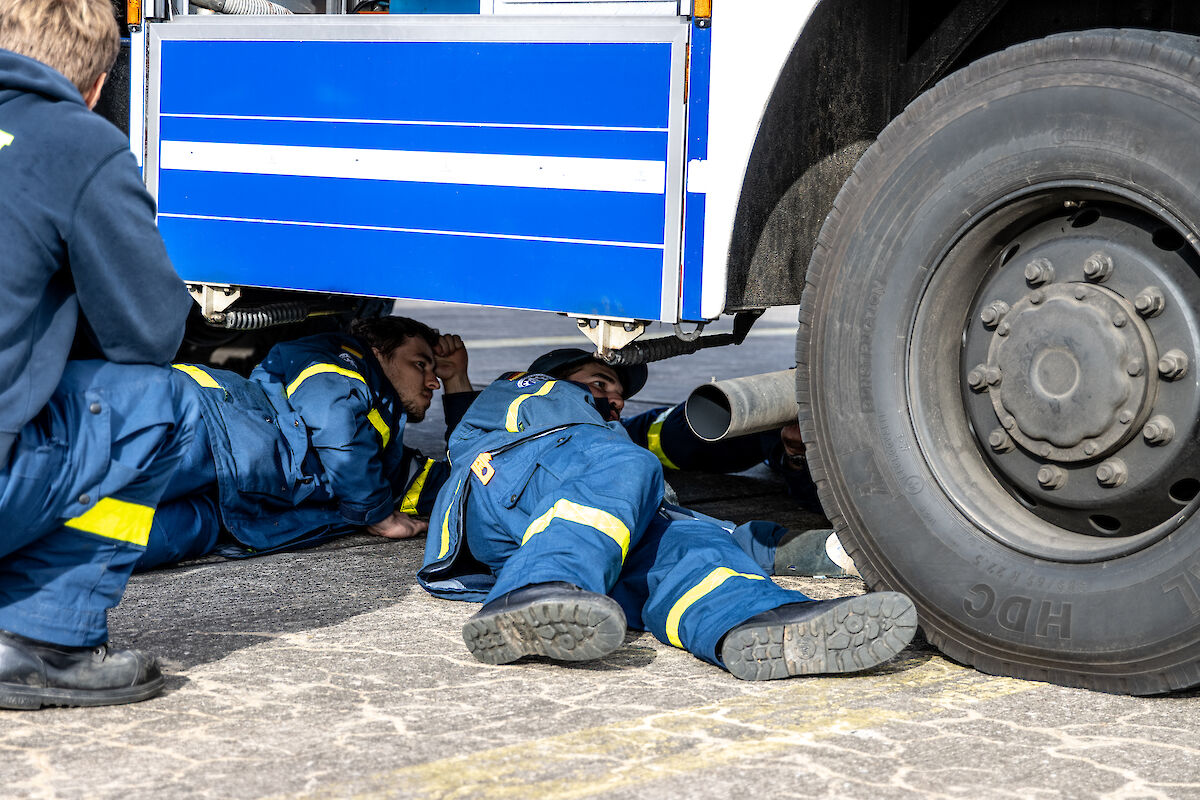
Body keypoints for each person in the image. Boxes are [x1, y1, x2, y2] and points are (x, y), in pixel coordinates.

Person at [418, 360, 917, 680]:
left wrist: (819, 550)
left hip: (554, 529)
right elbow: (467, 435)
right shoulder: (534, 396)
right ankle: (539, 586)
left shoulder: (608, 457)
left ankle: (751, 618)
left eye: (617, 393)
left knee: (686, 540)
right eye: (599, 382)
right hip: (501, 483)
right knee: (631, 464)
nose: (613, 397)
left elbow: (671, 463)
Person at [0, 0, 197, 708]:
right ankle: (44, 640)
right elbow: (146, 334)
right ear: (96, 84)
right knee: (160, 405)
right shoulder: (76, 142)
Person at [135, 316, 468, 571]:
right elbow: (333, 419)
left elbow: (464, 478)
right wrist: (376, 513)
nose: (432, 381)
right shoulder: (340, 357)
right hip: (214, 427)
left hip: (234, 513)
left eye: (437, 373)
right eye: (420, 364)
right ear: (379, 352)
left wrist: (458, 381)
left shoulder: (383, 454)